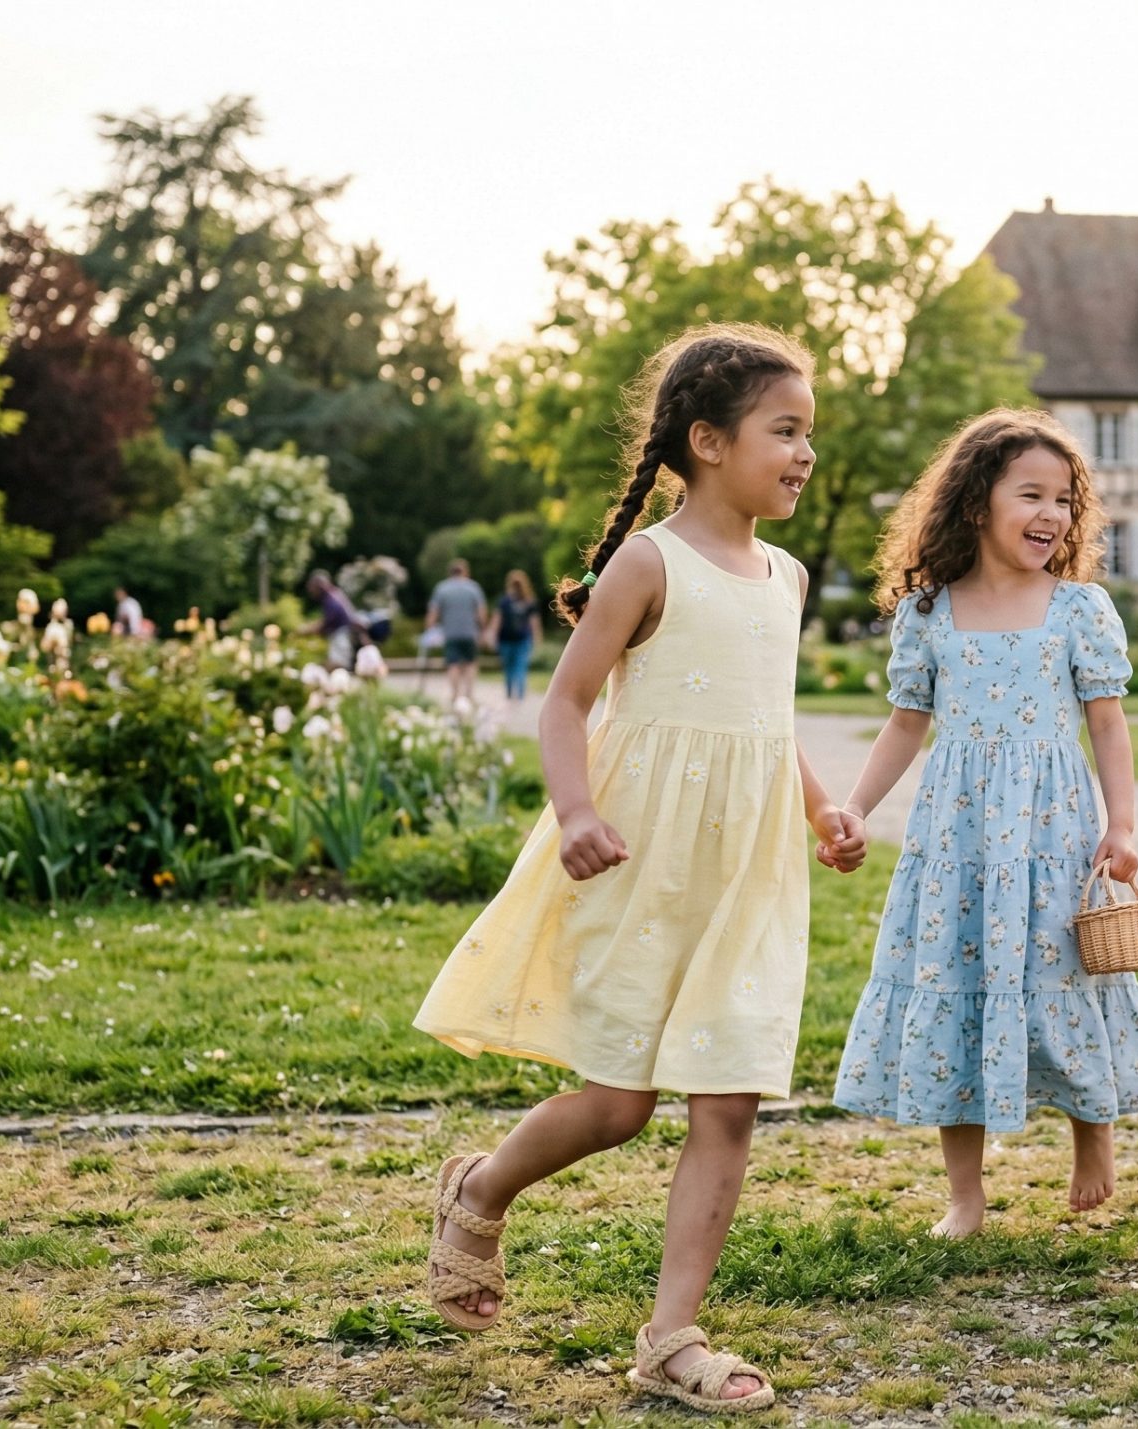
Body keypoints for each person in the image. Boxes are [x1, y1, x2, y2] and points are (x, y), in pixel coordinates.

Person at [411, 324, 868, 1412]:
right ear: (708, 441)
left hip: (747, 874)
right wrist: (574, 810)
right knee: (617, 1103)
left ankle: (671, 1339)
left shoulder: (788, 575)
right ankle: (481, 1186)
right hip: (644, 860)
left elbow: (770, 724)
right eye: (785, 431)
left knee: (729, 1098)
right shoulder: (649, 563)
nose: (806, 453)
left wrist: (823, 806)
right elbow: (567, 701)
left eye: (809, 433)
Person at [831, 411, 1138, 1237]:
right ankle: (965, 1193)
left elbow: (1108, 722)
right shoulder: (930, 612)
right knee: (958, 984)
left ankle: (1093, 1131)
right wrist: (856, 806)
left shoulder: (1078, 608)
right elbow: (905, 722)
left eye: (1064, 499)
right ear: (978, 502)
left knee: (1069, 978)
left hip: (1054, 837)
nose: (1052, 513)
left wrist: (1122, 825)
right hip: (959, 840)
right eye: (1032, 494)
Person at [427, 559, 488, 712]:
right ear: (465, 572)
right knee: (470, 663)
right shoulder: (473, 588)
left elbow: (434, 612)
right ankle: (469, 694)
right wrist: (482, 630)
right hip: (469, 632)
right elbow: (481, 611)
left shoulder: (442, 588)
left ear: (450, 572)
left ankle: (455, 695)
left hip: (450, 633)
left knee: (453, 664)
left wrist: (430, 629)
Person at [306, 570, 367, 672]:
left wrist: (311, 630)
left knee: (339, 664)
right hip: (344, 631)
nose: (311, 591)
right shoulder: (334, 594)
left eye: (313, 587)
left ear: (320, 585)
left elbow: (330, 619)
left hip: (342, 633)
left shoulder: (331, 599)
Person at [496, 570, 542, 702]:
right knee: (521, 666)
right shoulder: (529, 601)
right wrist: (537, 638)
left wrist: (491, 635)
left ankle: (509, 693)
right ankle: (521, 695)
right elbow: (534, 623)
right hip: (523, 639)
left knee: (508, 667)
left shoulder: (505, 601)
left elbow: (497, 620)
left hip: (505, 639)